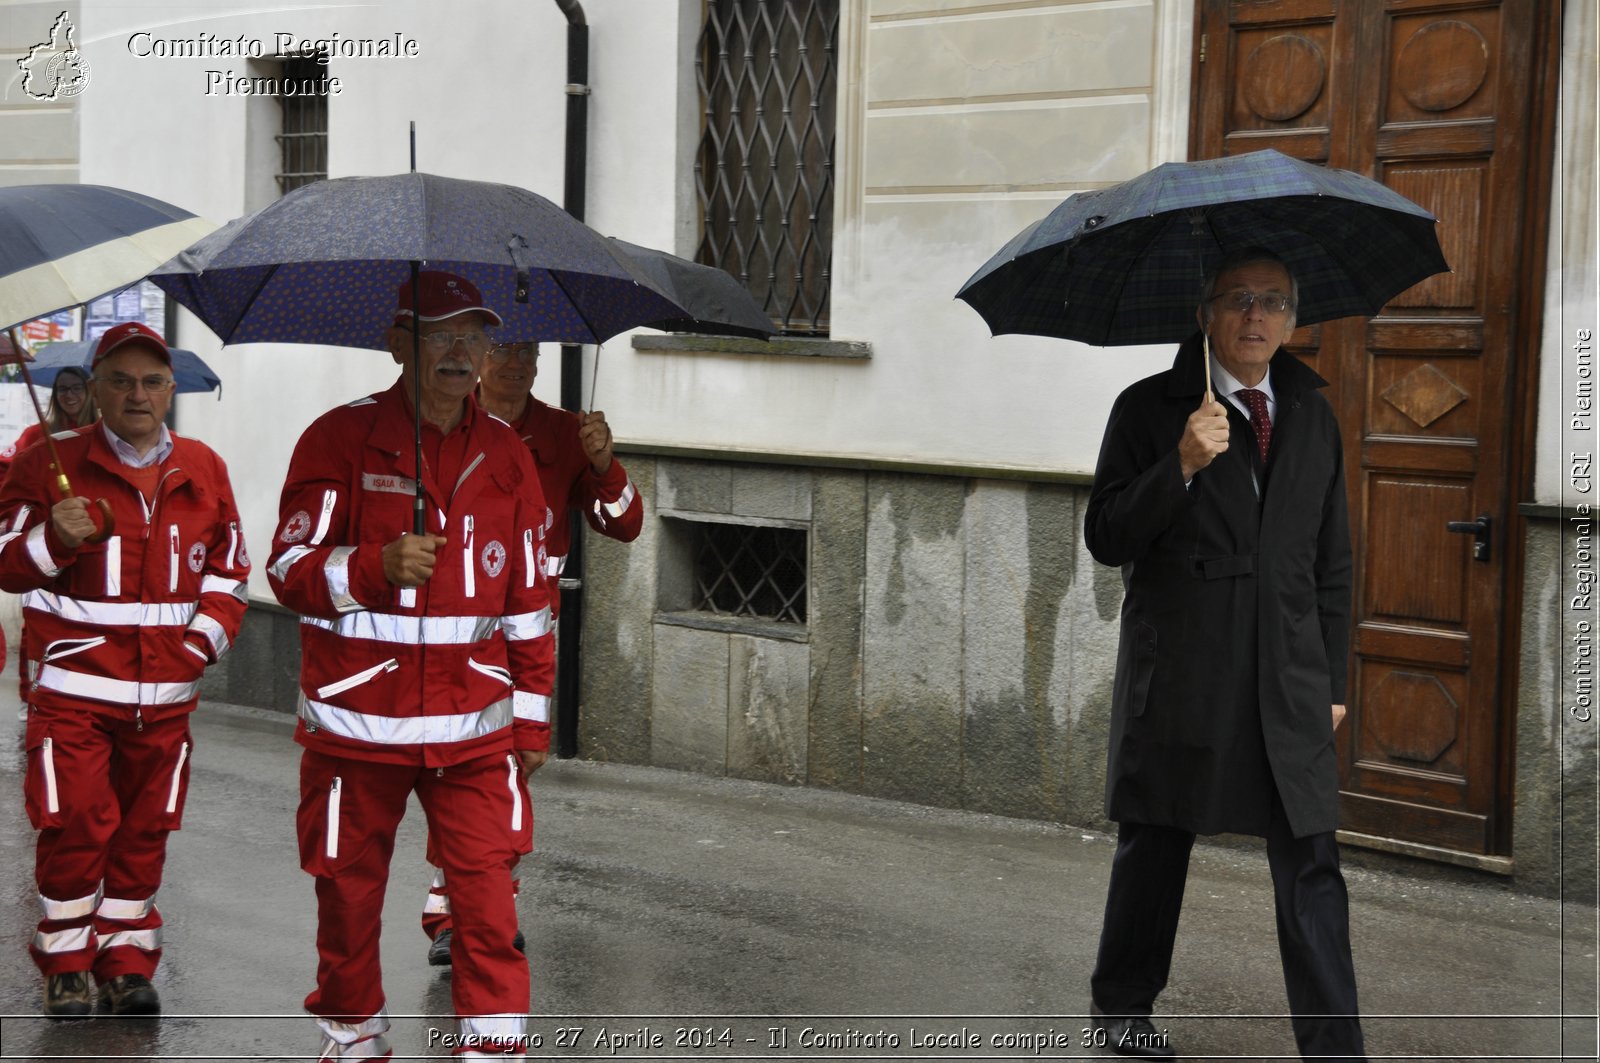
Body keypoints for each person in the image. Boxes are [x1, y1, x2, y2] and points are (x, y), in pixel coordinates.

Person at [1083, 248, 1365, 1061]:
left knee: (1313, 858)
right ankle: (1122, 1008)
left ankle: (1336, 1049)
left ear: (1294, 318)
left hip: (1289, 670)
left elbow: (1331, 559)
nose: (1256, 316)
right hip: (1186, 666)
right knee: (1159, 838)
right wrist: (1179, 463)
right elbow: (1107, 537)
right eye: (1238, 298)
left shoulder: (1312, 409)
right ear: (1205, 312)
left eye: (1274, 300)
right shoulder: (1148, 409)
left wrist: (1335, 679)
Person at [268, 271, 555, 1060]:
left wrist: (531, 714)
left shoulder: (508, 455)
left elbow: (530, 600)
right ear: (399, 345)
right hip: (357, 731)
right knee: (348, 903)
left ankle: (493, 1050)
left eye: (475, 337)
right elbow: (288, 568)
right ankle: (354, 1038)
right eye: (441, 336)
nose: (462, 354)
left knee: (489, 909)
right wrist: (372, 567)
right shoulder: (336, 439)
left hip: (472, 735)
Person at [0, 321, 250, 1019]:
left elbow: (231, 570)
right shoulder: (48, 462)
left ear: (171, 390)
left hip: (166, 700)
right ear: (93, 389)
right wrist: (54, 536)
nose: (137, 395)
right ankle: (68, 963)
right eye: (120, 380)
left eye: (151, 381)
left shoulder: (204, 466)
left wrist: (199, 646)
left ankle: (127, 961)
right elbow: (6, 561)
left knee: (145, 831)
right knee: (77, 821)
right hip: (73, 696)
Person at [417, 335, 643, 966]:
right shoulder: (445, 428)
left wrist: (604, 466)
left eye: (529, 354)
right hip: (453, 630)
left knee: (509, 766)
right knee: (455, 766)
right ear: (478, 358)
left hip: (528, 634)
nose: (516, 364)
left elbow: (624, 523)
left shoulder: (566, 432)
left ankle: (470, 906)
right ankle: (459, 905)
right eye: (503, 351)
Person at [0, 365, 99, 481]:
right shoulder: (37, 433)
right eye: (62, 389)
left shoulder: (104, 433)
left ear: (90, 390)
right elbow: (3, 468)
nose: (69, 395)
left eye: (77, 388)